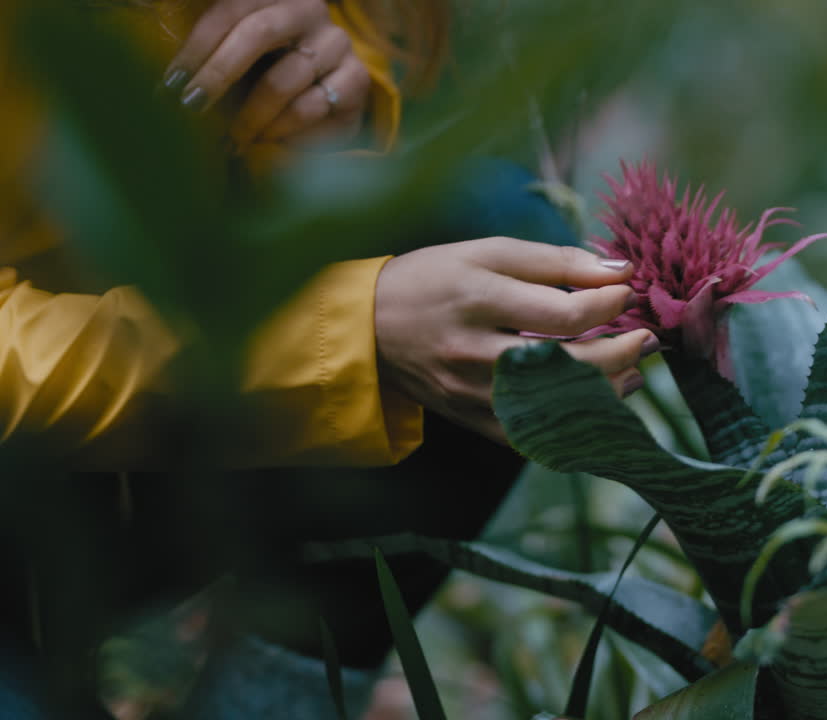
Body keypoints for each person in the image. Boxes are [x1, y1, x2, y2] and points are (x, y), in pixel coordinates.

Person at [0, 0, 658, 716]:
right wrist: (348, 334)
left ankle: (271, 696)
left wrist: (326, 87)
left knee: (499, 242)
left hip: (166, 445)